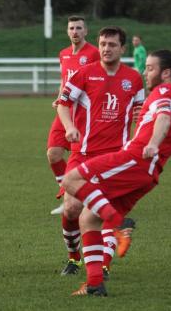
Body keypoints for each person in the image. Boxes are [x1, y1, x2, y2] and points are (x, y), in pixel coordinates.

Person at [62, 49, 171, 296]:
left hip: (135, 160)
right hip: (148, 173)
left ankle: (118, 223)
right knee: (88, 219)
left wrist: (153, 142)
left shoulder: (165, 91)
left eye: (150, 68)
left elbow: (163, 118)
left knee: (71, 179)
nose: (145, 72)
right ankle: (95, 284)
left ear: (166, 73)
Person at [57, 26, 144, 278]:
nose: (106, 49)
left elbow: (140, 113)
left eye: (112, 45)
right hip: (83, 153)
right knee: (71, 208)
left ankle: (102, 267)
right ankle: (74, 258)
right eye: (103, 44)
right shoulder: (85, 74)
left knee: (100, 211)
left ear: (122, 49)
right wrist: (70, 126)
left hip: (117, 157)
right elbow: (63, 104)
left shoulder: (134, 79)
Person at [47, 15, 100, 217]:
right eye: (72, 28)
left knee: (87, 158)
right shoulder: (64, 54)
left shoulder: (94, 53)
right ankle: (68, 192)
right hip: (65, 110)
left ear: (86, 31)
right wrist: (59, 98)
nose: (75, 32)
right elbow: (64, 81)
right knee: (53, 154)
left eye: (79, 28)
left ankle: (87, 197)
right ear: (67, 31)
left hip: (85, 115)